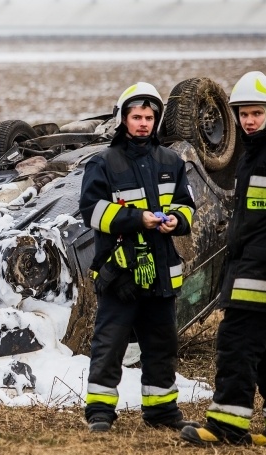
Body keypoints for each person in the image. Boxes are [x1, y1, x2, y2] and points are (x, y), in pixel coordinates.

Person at [181, 72, 266, 447]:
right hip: (252, 273)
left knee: (236, 347)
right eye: (242, 114)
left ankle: (226, 425)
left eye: (256, 113)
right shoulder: (254, 154)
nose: (248, 120)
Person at [79, 82, 197, 432]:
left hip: (160, 273)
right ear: (123, 119)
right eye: (136, 117)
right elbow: (92, 212)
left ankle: (162, 412)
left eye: (149, 117)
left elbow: (187, 205)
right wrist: (138, 219)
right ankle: (100, 413)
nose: (143, 123)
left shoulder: (171, 161)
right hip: (121, 275)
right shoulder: (103, 163)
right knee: (110, 345)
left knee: (162, 346)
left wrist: (176, 220)